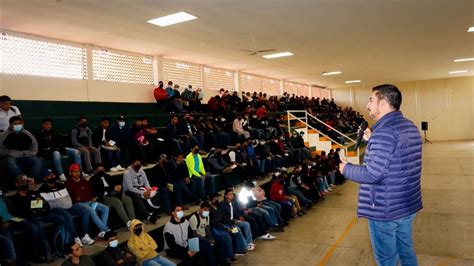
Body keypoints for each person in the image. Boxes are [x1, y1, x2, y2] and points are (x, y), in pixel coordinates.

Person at [339, 84, 423, 266]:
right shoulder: (409, 126)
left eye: (371, 100)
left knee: (387, 259)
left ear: (383, 103)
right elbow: (397, 159)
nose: (368, 105)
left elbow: (372, 174)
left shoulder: (384, 133)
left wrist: (346, 168)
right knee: (406, 251)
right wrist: (373, 139)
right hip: (407, 204)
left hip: (386, 208)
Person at [38, 169, 85, 246]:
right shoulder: (43, 190)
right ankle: (76, 237)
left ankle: (85, 235)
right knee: (66, 215)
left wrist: (68, 204)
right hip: (55, 210)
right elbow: (49, 204)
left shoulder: (61, 185)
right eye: (49, 175)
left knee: (84, 212)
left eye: (53, 175)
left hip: (68, 206)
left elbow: (68, 197)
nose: (52, 176)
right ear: (45, 178)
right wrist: (61, 205)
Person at [65, 164, 110, 238]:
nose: (77, 173)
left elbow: (90, 192)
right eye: (74, 171)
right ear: (70, 173)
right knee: (91, 210)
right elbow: (72, 198)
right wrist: (82, 198)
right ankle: (106, 230)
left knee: (105, 208)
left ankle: (102, 231)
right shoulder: (67, 184)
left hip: (89, 201)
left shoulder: (84, 181)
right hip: (78, 204)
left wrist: (92, 198)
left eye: (78, 171)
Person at [89, 164, 135, 228]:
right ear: (96, 171)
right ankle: (128, 222)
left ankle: (134, 221)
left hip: (114, 193)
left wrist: (118, 188)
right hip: (104, 196)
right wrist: (112, 189)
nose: (101, 171)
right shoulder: (93, 179)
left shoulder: (107, 176)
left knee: (128, 199)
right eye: (99, 170)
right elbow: (100, 190)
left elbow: (113, 185)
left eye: (102, 169)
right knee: (117, 202)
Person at [0, 116, 42, 184]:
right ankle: (25, 180)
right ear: (10, 125)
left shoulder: (27, 133)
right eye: (15, 124)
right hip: (12, 155)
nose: (18, 125)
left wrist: (33, 152)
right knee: (11, 164)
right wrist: (7, 153)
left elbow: (35, 144)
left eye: (19, 123)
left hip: (27, 154)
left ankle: (31, 181)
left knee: (37, 162)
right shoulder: (3, 135)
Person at [122, 159, 160, 223]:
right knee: (137, 196)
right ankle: (147, 216)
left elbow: (146, 181)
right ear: (132, 164)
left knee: (156, 193)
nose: (138, 165)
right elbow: (130, 188)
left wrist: (149, 189)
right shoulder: (127, 173)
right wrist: (143, 193)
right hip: (130, 191)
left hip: (141, 188)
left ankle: (150, 212)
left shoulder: (141, 170)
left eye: (139, 164)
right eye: (136, 163)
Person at [188, 202, 217, 266]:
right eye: (205, 209)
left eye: (208, 210)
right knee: (207, 249)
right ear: (200, 209)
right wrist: (206, 240)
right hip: (193, 239)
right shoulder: (194, 217)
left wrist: (210, 238)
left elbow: (207, 228)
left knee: (216, 242)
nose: (206, 211)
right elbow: (194, 234)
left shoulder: (207, 216)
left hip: (203, 237)